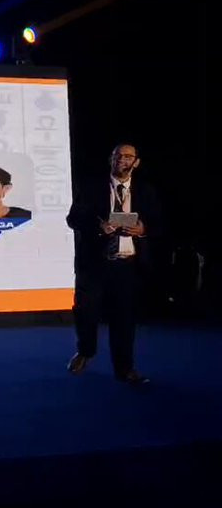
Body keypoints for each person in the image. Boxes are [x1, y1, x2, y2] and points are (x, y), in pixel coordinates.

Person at [66, 144, 162, 385]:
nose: (122, 160)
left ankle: (125, 368)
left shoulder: (146, 191)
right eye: (118, 155)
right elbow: (73, 218)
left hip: (128, 265)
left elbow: (160, 223)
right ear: (111, 159)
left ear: (136, 162)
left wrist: (143, 229)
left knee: (124, 320)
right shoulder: (91, 187)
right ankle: (86, 350)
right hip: (95, 264)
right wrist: (98, 227)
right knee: (86, 313)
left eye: (128, 156)